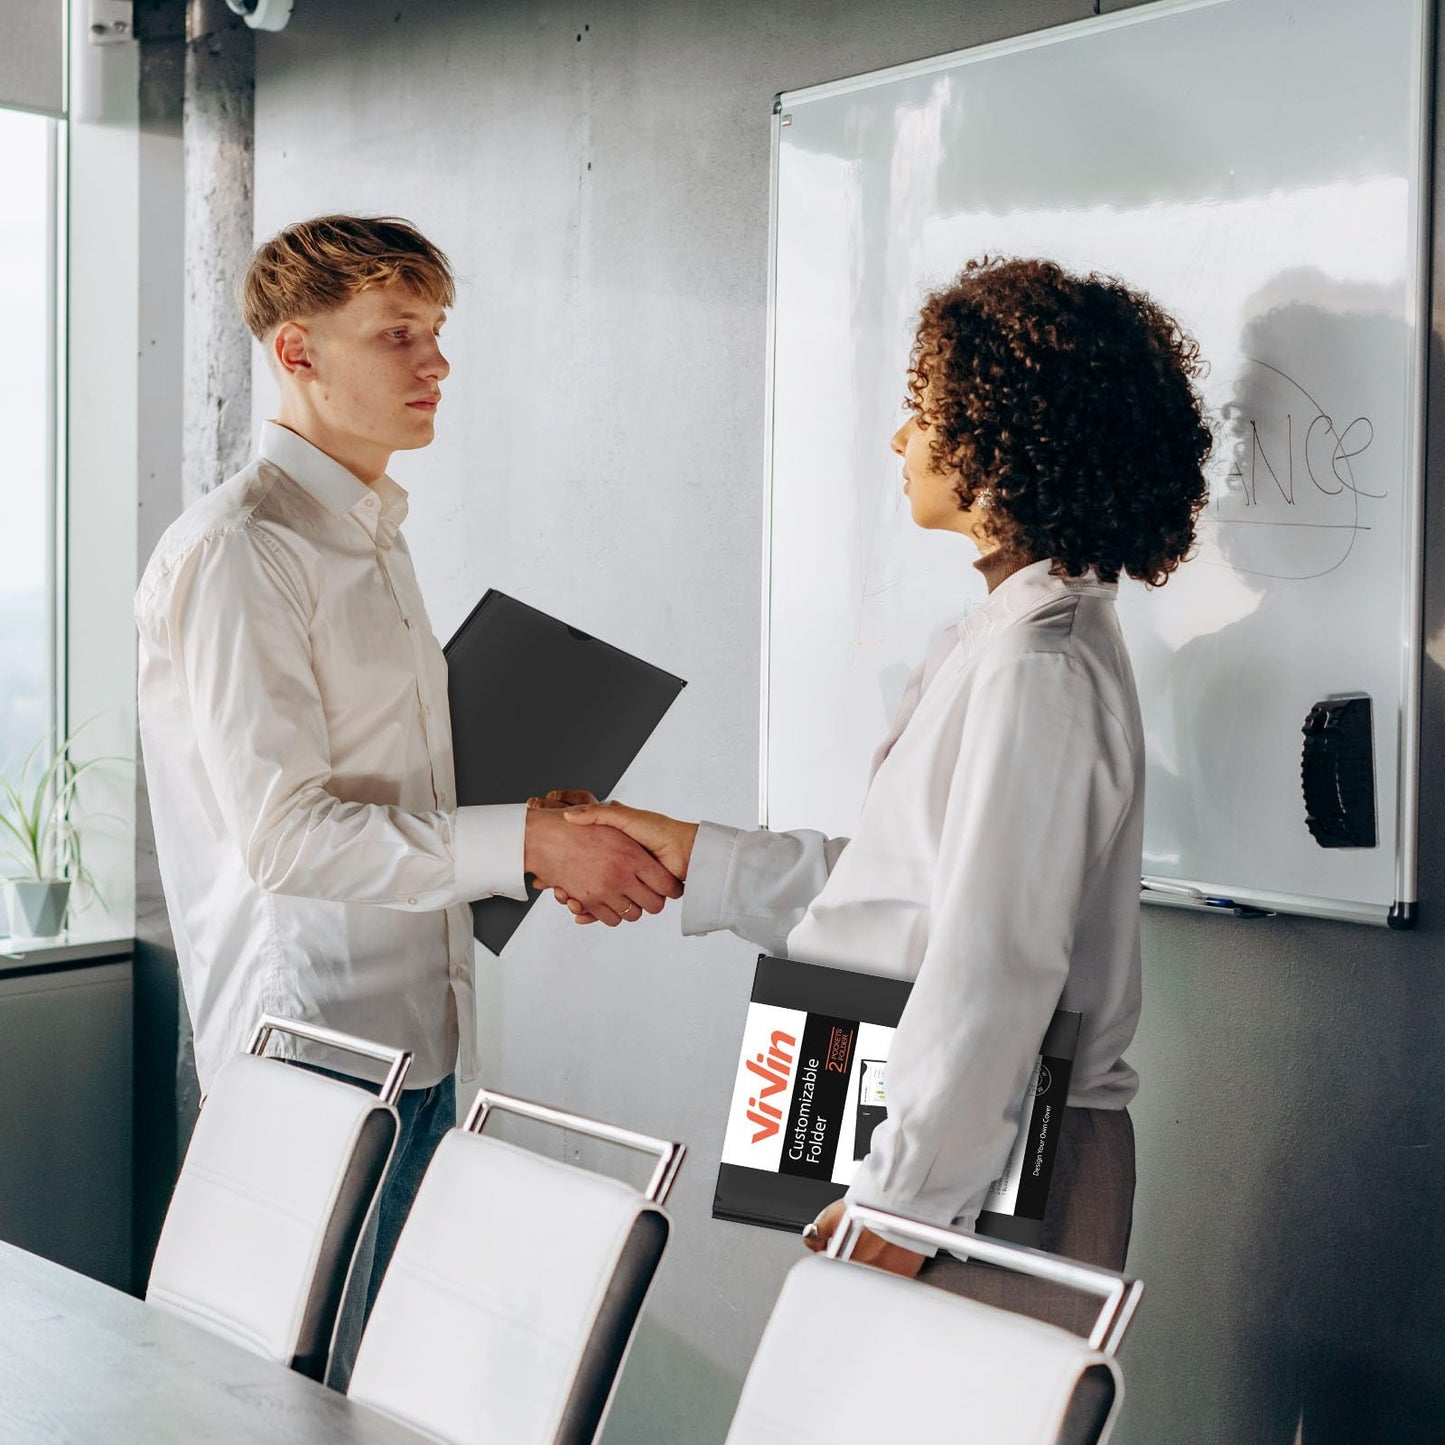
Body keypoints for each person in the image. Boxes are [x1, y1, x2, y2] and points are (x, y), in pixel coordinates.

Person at [545, 256, 1213, 1330]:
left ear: (1001, 439)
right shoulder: (1006, 642)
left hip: (989, 1174)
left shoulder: (1038, 667)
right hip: (957, 1152)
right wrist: (688, 848)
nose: (898, 440)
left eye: (919, 412)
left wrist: (898, 1211)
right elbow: (910, 897)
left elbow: (991, 964)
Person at [135, 214, 681, 1374]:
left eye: (435, 334)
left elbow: (381, 787)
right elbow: (283, 838)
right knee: (290, 1397)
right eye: (397, 336)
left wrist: (536, 829)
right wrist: (518, 842)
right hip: (313, 1054)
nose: (436, 366)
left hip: (418, 1041)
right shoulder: (245, 550)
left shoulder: (371, 537)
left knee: (383, 1387)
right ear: (298, 352)